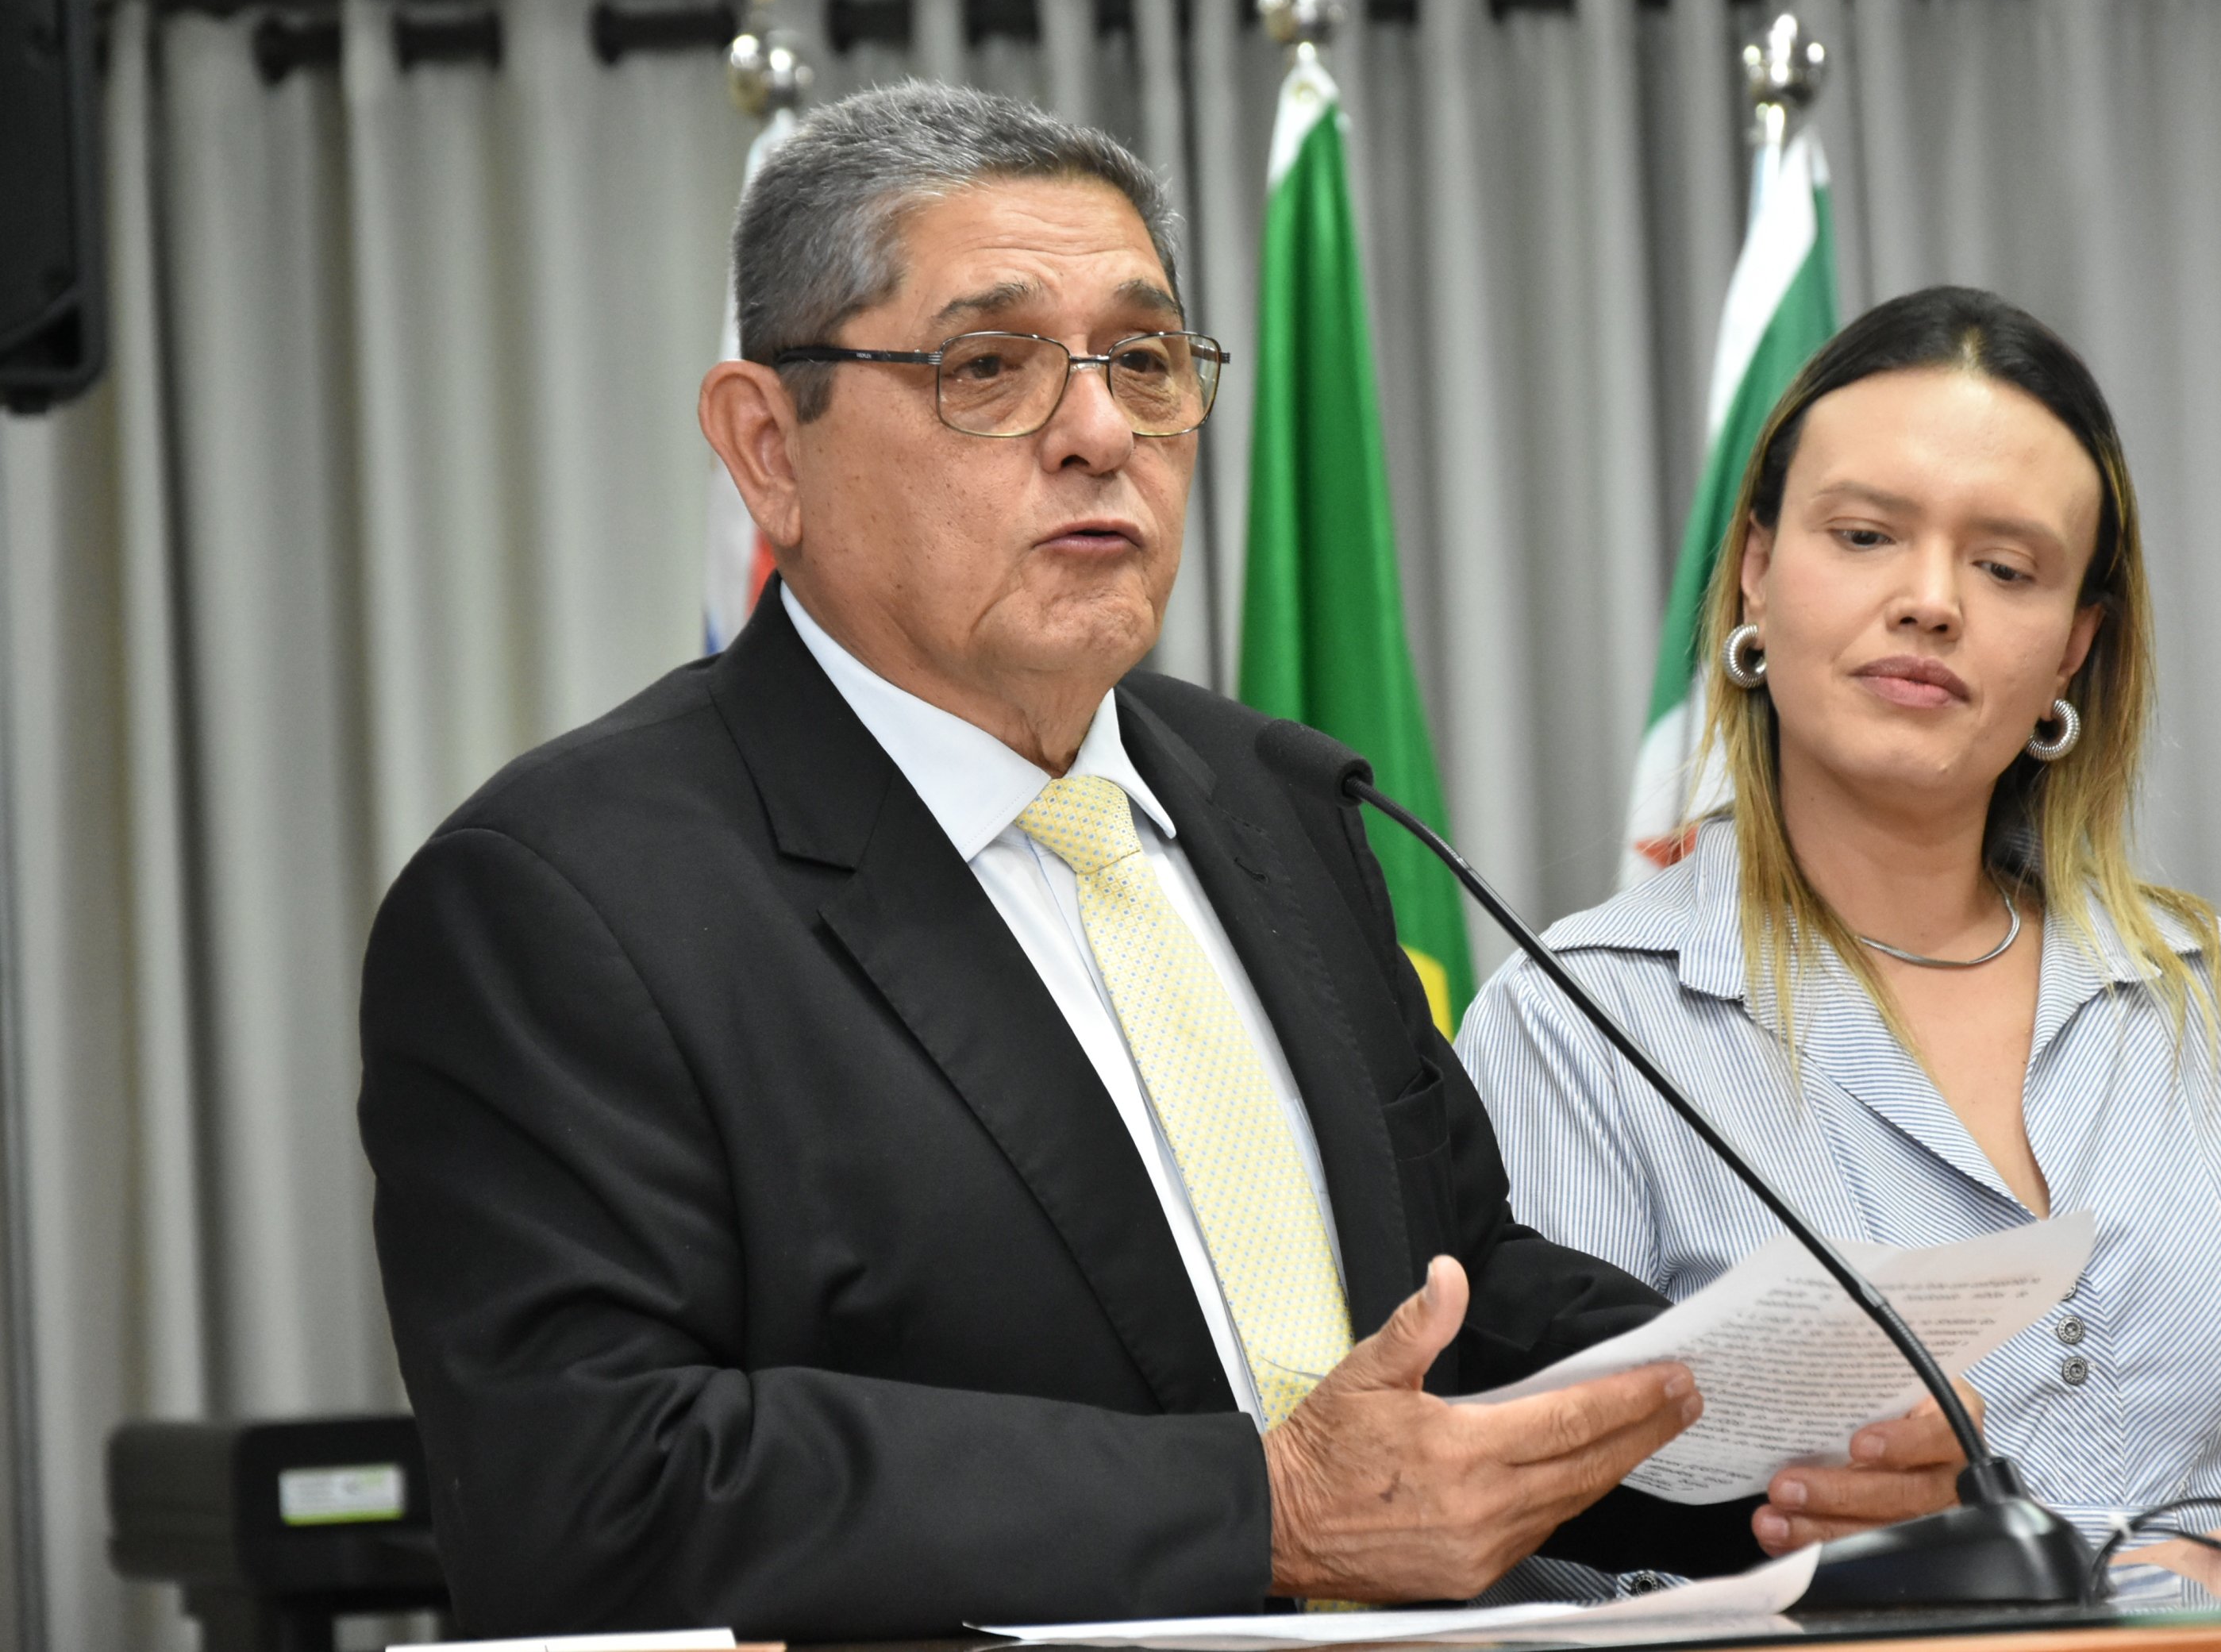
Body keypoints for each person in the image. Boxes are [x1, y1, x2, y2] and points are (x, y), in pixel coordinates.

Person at [356, 84, 1965, 1642]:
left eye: (1142, 361)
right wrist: (1258, 1509)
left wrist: (1764, 1445)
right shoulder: (565, 902)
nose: (1098, 433)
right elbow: (593, 1491)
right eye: (988, 368)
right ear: (769, 445)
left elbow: (1456, 1302)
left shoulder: (1271, 798)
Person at [1460, 286, 2221, 1564]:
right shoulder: (1576, 1025)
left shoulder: (2209, 999)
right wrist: (2144, 1580)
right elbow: (1549, 1568)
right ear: (1758, 572)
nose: (1933, 601)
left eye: (2006, 568)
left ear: (2074, 648)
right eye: (1866, 536)